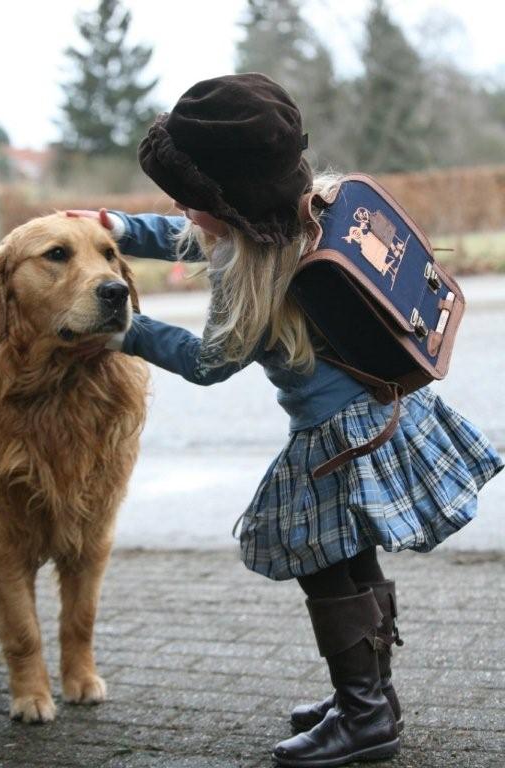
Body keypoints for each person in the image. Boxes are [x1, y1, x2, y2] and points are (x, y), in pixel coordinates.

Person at [69, 73, 503, 767]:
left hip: (341, 438)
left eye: (189, 199)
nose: (179, 209)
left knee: (321, 561)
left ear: (227, 202)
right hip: (382, 410)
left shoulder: (259, 272)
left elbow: (209, 361)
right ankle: (372, 698)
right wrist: (119, 228)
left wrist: (125, 330)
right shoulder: (314, 209)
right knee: (349, 555)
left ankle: (364, 713)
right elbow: (195, 232)